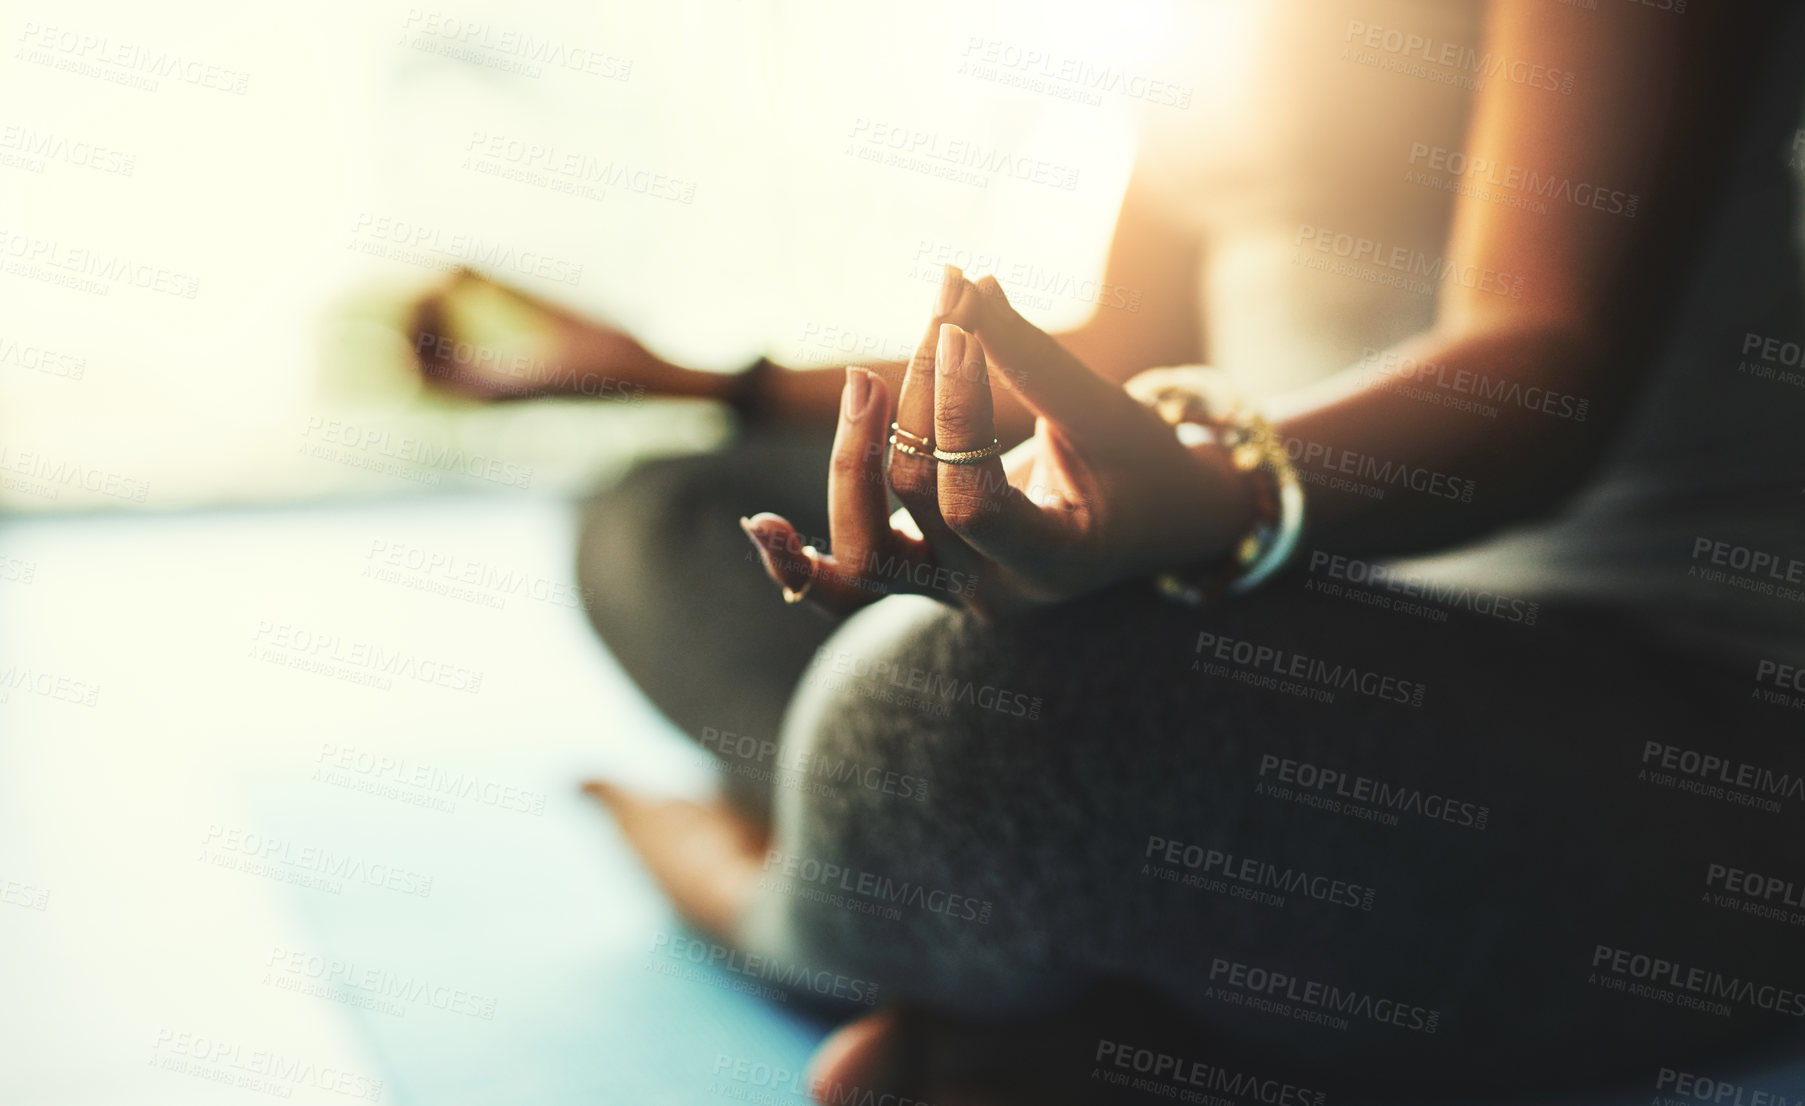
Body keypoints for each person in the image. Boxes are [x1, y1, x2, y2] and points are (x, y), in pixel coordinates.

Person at [410, 2, 1805, 1101]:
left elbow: (1538, 374)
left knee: (944, 706)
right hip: (1292, 631)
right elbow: (1116, 355)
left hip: (1655, 725)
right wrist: (690, 377)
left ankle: (759, 890)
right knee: (662, 521)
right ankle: (1075, 990)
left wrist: (1198, 494)